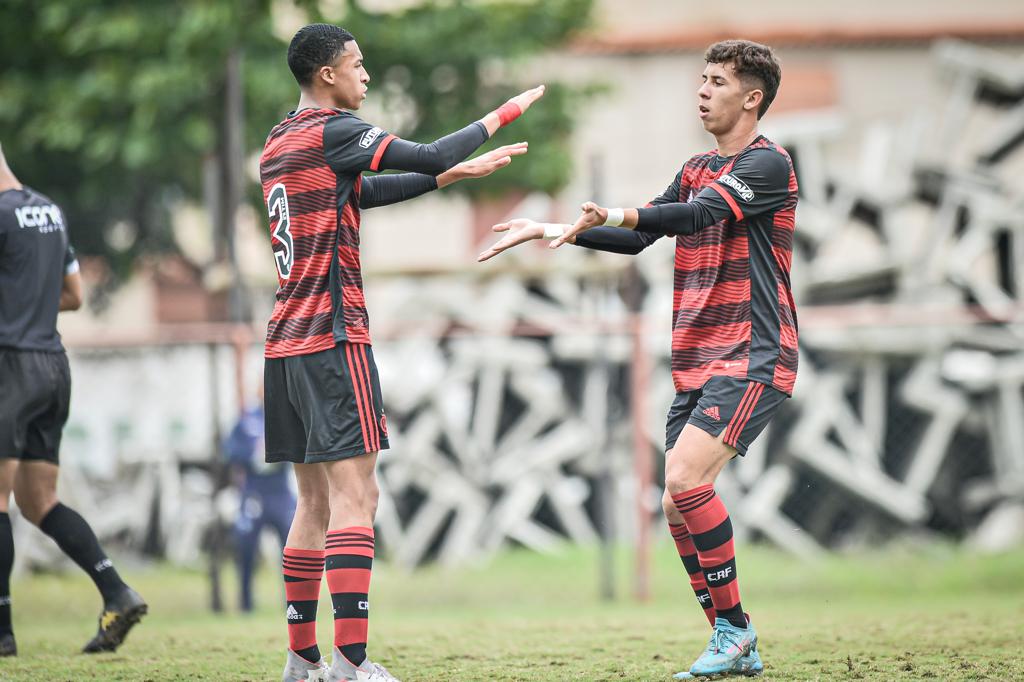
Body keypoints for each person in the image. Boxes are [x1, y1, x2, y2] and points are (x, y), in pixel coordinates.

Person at [478, 39, 797, 679]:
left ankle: (734, 632)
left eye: (716, 81)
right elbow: (642, 236)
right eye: (700, 79)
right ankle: (733, 644)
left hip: (753, 355)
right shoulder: (696, 164)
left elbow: (695, 215)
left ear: (752, 97)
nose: (702, 91)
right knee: (678, 503)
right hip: (699, 360)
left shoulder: (768, 165)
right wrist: (553, 230)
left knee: (683, 480)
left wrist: (619, 210)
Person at [261, 23, 544, 682]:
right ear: (327, 75)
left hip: (284, 343)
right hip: (334, 336)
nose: (366, 75)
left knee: (314, 504)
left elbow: (363, 192)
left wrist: (448, 176)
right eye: (357, 65)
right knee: (358, 498)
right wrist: (500, 115)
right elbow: (427, 149)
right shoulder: (334, 130)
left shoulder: (281, 140)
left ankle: (302, 663)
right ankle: (352, 665)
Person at [0, 143, 147, 657]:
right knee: (39, 502)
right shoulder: (47, 210)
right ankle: (116, 591)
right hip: (53, 366)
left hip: (9, 366)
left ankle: (2, 634)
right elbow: (74, 296)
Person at [224, 385, 295, 613]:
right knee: (245, 547)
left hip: (280, 492)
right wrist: (252, 454)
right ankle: (246, 604)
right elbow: (229, 450)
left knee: (292, 548)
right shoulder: (247, 421)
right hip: (254, 492)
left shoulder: (287, 417)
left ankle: (294, 604)